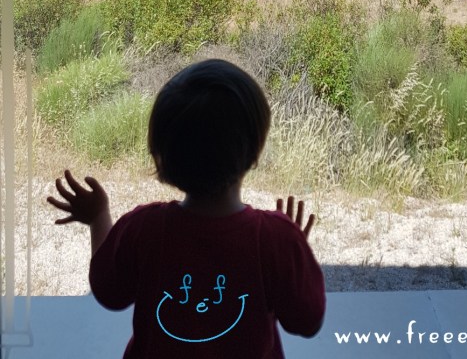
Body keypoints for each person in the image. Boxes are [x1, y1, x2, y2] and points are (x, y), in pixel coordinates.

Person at [47, 59, 325, 358]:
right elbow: (306, 321)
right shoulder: (274, 238)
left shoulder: (144, 228)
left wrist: (98, 218)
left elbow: (109, 291)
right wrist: (293, 250)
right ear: (255, 150)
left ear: (160, 157)